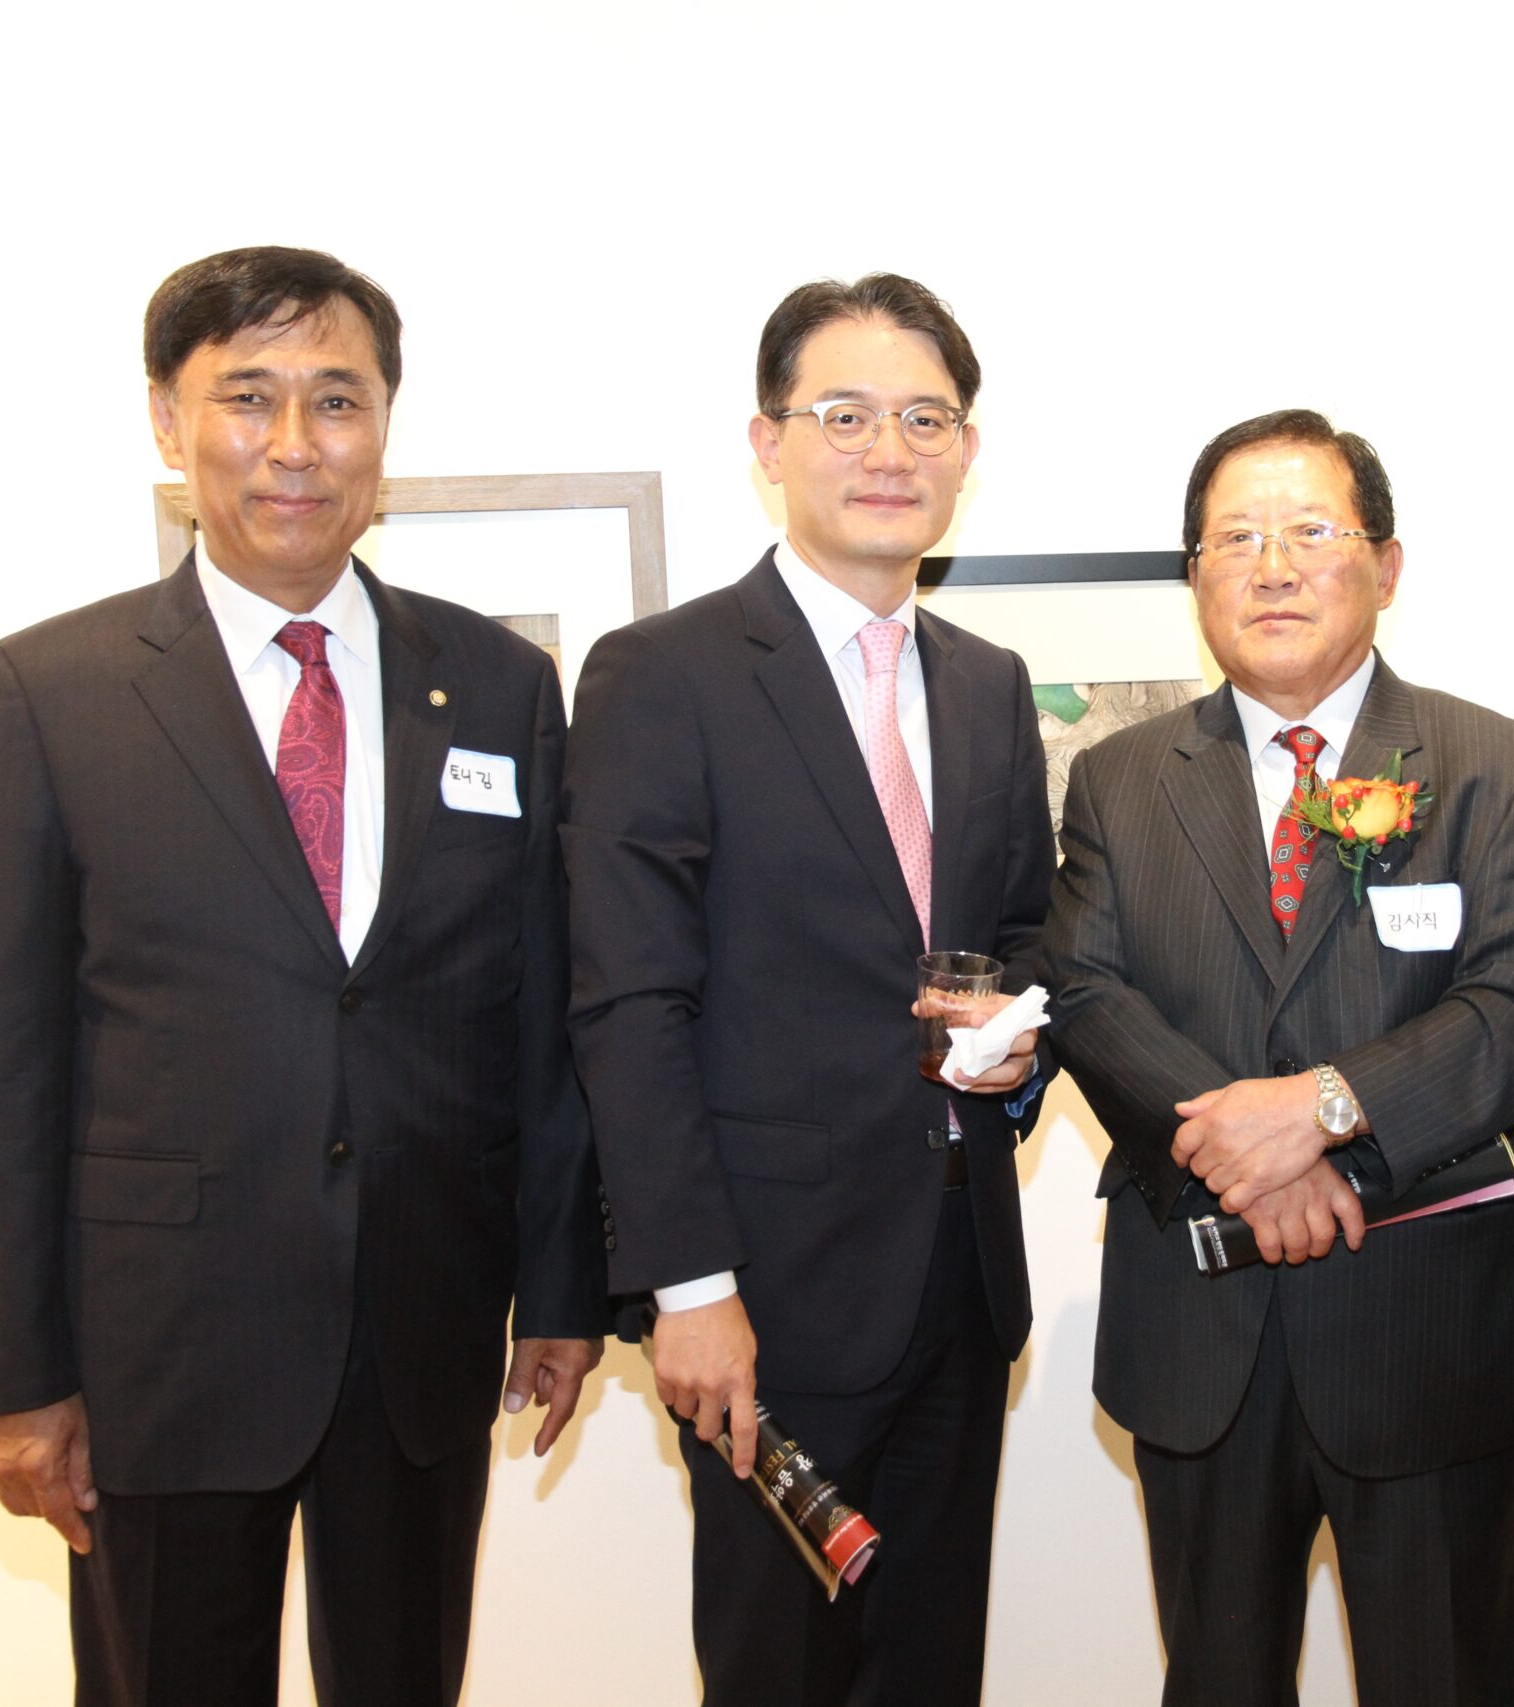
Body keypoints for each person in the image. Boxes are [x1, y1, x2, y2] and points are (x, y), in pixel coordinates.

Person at [0, 245, 607, 1707]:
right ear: (168, 422)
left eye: (337, 400)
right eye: (247, 397)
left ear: (384, 426)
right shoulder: (52, 692)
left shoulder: (499, 685)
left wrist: (563, 1287)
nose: (296, 444)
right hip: (159, 1346)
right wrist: (19, 1374)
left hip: (422, 1325)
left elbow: (540, 1018)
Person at [562, 273, 1053, 1707]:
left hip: (961, 1281)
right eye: (845, 415)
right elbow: (629, 1004)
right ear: (768, 443)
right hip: (765, 1298)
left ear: (967, 449)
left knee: (930, 1672)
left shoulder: (989, 683)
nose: (888, 450)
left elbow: (1024, 934)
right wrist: (690, 1287)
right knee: (779, 1676)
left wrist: (1016, 1045)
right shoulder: (664, 675)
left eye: (925, 419)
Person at [1043, 409, 1514, 1707]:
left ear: (1385, 566)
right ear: (1195, 578)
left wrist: (1327, 1111)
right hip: (1200, 1326)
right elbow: (1089, 993)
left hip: (1426, 1334)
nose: (1271, 567)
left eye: (1310, 532)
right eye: (1235, 539)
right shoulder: (1119, 778)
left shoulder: (1498, 767)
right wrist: (1253, 1158)